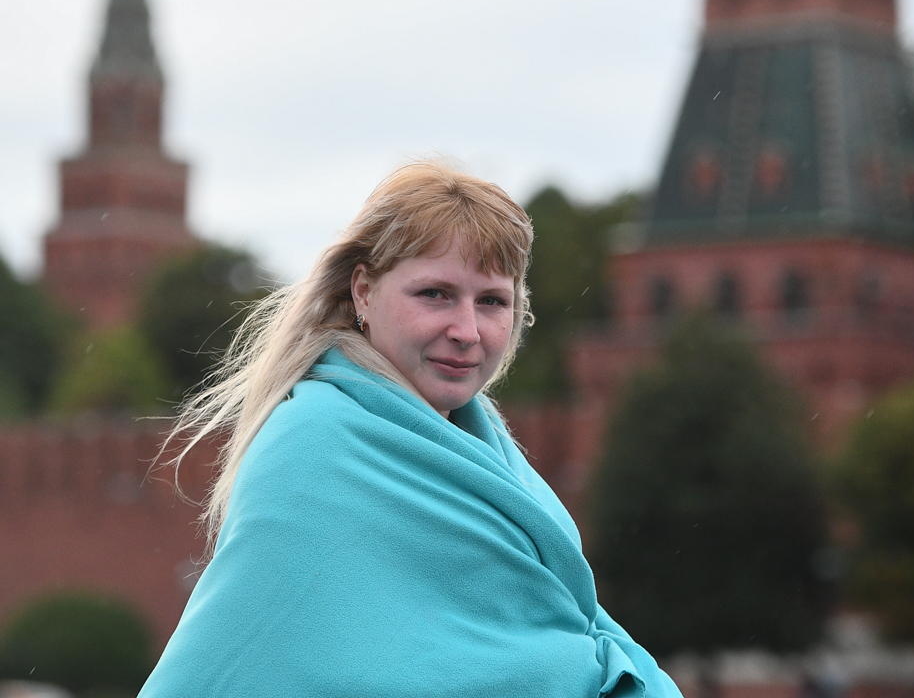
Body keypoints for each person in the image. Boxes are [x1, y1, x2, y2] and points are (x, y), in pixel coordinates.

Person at [141, 160, 683, 697]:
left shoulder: (486, 445)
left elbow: (558, 625)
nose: (467, 330)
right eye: (435, 294)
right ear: (363, 292)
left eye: (492, 301)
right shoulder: (312, 448)